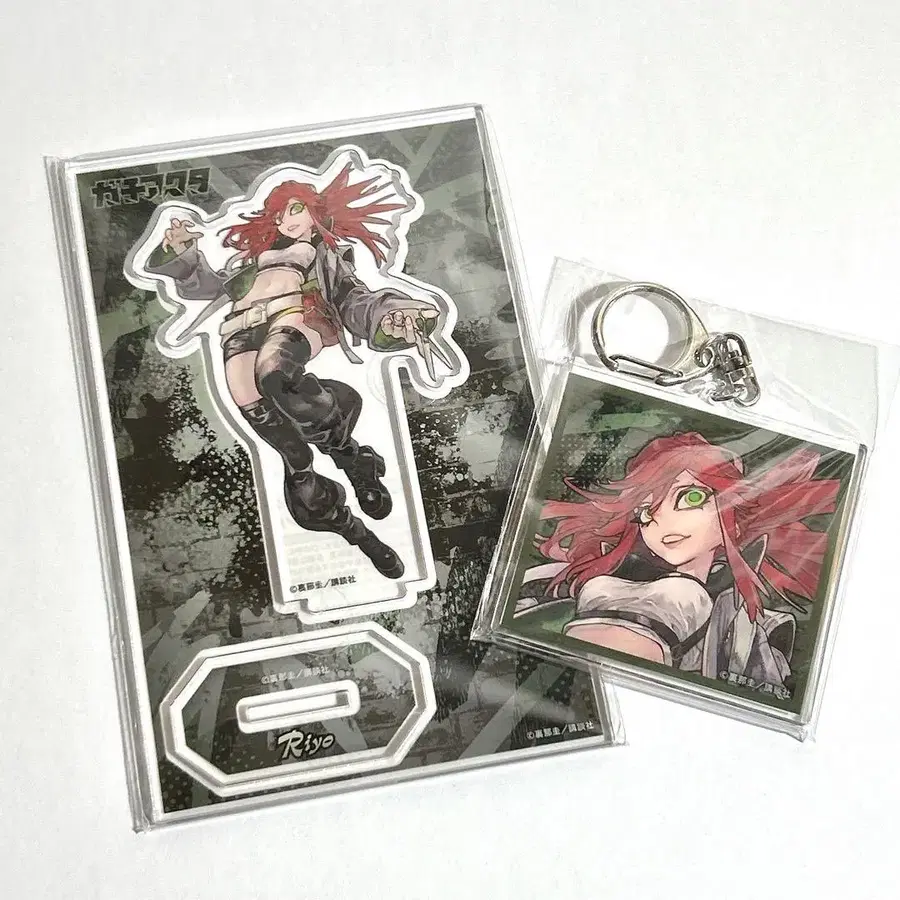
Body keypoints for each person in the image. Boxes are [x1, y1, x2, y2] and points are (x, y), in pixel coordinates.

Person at [144, 164, 443, 578]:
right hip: (239, 331)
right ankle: (358, 530)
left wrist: (390, 316)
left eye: (295, 208)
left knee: (275, 373)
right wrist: (183, 254)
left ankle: (351, 458)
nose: (286, 219)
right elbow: (207, 287)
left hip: (296, 317)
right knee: (293, 455)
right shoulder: (251, 261)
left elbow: (353, 298)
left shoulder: (325, 255)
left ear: (315, 210)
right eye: (279, 213)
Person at [516, 432, 841, 691]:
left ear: (734, 517)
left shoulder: (750, 623)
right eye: (645, 510)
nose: (661, 521)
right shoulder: (612, 583)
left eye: (691, 498)